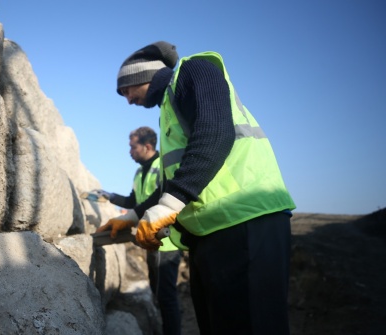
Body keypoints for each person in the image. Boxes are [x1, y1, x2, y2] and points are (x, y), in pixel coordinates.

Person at [100, 41, 296, 334]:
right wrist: (133, 215)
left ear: (142, 76)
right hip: (213, 232)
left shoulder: (194, 71)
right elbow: (171, 182)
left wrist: (169, 205)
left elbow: (215, 133)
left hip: (247, 220)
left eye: (127, 90)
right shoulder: (168, 110)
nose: (128, 100)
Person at [95, 126, 182, 335]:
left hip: (166, 241)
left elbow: (162, 199)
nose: (129, 151)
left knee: (166, 296)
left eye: (133, 147)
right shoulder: (139, 172)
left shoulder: (162, 166)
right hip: (148, 237)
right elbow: (134, 202)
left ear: (147, 146)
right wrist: (109, 196)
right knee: (158, 293)